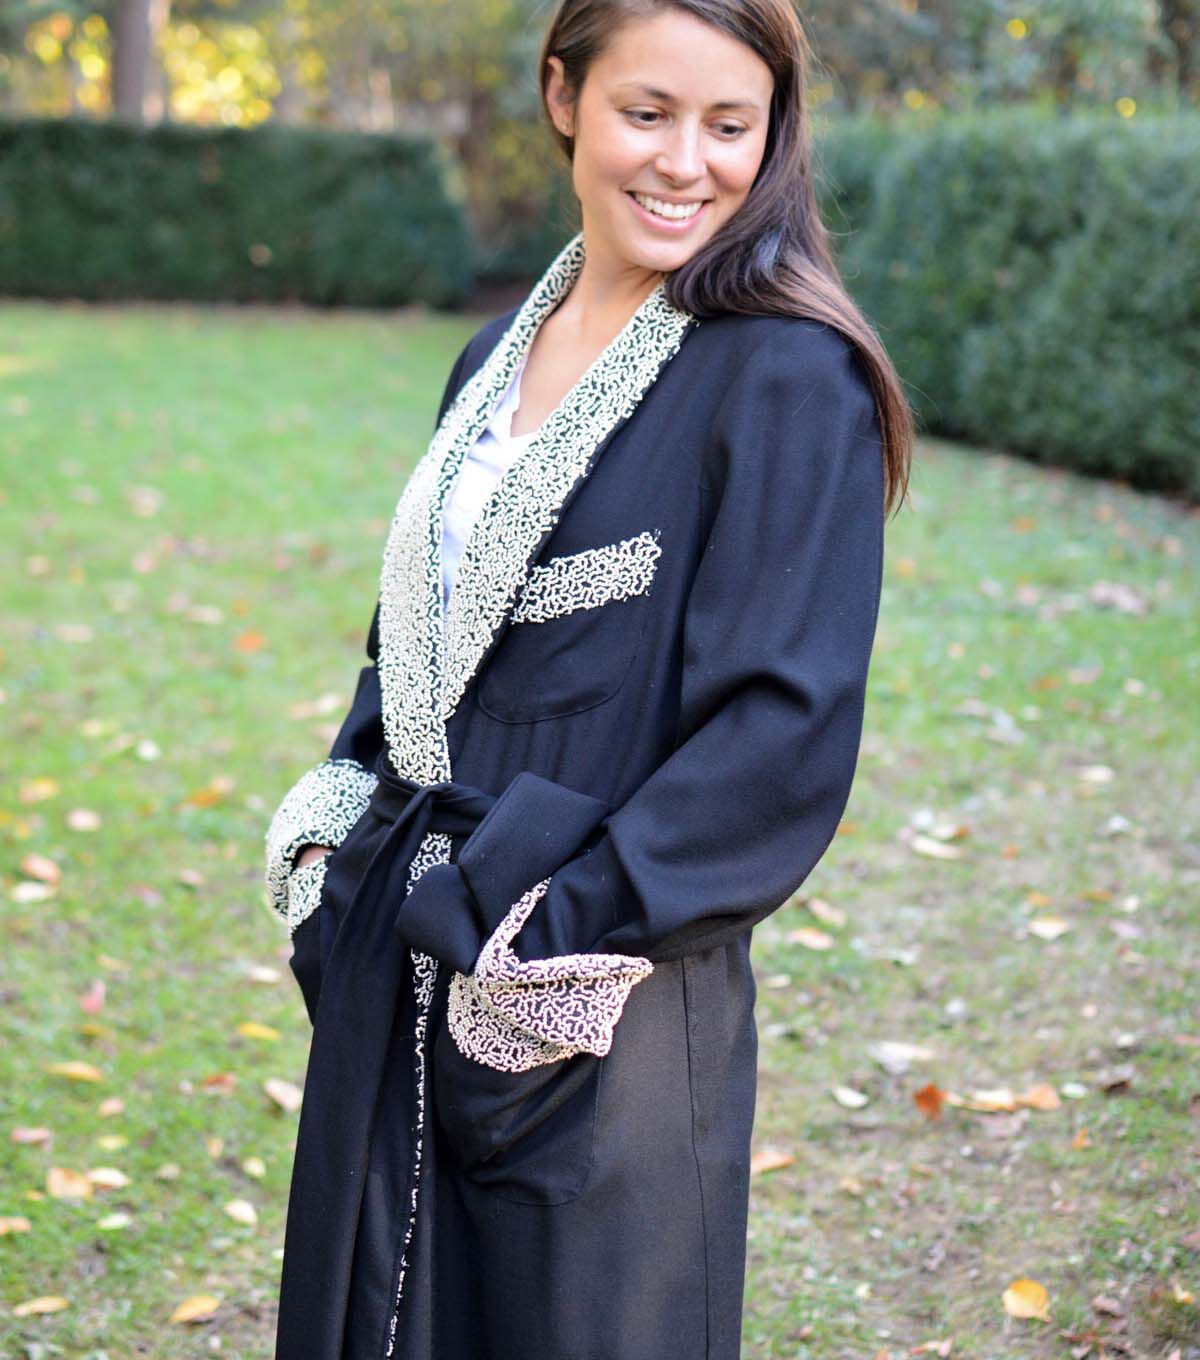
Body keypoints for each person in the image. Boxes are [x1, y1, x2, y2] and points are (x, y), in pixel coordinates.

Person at [263, 2, 914, 1357]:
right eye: (646, 113)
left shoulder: (789, 378)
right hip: (398, 949)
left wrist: (541, 956)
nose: (686, 162)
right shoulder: (493, 354)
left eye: (729, 125)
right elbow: (419, 631)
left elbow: (777, 741)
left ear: (773, 136)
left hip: (599, 1006)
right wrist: (334, 841)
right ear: (564, 97)